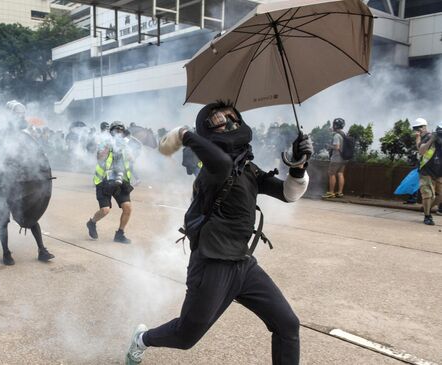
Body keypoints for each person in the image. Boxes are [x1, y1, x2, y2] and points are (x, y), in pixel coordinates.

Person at [125, 101, 312, 365]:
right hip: (211, 265)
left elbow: (288, 194)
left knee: (288, 325)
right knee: (185, 337)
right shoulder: (211, 171)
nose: (229, 122)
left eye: (233, 117)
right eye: (218, 120)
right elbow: (221, 163)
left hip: (243, 264)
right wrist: (185, 136)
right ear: (206, 132)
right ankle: (141, 339)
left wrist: (298, 166)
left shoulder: (248, 169)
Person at [0, 100, 55, 265]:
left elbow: (38, 158)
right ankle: (6, 253)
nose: (21, 116)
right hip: (4, 183)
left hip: (23, 184)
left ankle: (42, 250)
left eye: (22, 113)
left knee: (31, 216)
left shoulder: (26, 137)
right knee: (3, 220)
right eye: (17, 113)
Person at [86, 121, 135, 244]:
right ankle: (92, 223)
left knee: (127, 208)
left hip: (120, 180)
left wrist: (128, 151)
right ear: (111, 132)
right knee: (105, 210)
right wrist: (107, 148)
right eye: (116, 130)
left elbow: (131, 159)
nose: (119, 133)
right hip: (104, 181)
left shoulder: (125, 145)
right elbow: (99, 157)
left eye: (121, 131)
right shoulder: (105, 143)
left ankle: (120, 234)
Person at [417, 121, 442, 225]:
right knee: (428, 194)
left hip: (440, 172)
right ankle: (427, 216)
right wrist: (431, 140)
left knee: (439, 196)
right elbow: (421, 151)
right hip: (426, 171)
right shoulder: (430, 138)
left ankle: (426, 207)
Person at [322, 117, 347, 198]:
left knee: (332, 174)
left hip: (336, 158)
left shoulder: (336, 135)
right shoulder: (343, 134)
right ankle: (340, 192)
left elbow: (337, 147)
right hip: (344, 158)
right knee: (340, 173)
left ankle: (331, 192)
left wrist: (329, 146)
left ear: (335, 125)